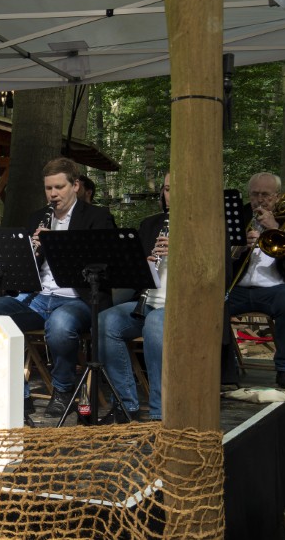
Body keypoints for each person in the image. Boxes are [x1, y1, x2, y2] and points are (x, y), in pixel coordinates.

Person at [0, 157, 116, 417]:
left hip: (77, 299)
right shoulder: (38, 217)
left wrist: (57, 244)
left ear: (76, 186)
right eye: (49, 188)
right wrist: (31, 252)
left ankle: (63, 389)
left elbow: (106, 263)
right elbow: (22, 270)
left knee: (60, 325)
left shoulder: (96, 217)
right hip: (39, 297)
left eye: (59, 187)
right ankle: (17, 393)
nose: (53, 194)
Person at [226, 172, 285, 390]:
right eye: (255, 194)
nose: (260, 199)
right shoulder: (238, 216)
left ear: (277, 196)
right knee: (212, 306)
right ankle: (225, 369)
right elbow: (219, 255)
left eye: (266, 195)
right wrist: (239, 247)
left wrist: (275, 227)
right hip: (238, 287)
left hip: (276, 289)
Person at [96, 173, 170, 423]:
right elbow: (131, 273)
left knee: (156, 324)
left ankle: (160, 411)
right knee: (105, 322)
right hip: (147, 301)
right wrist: (141, 266)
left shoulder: (204, 227)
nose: (171, 195)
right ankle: (126, 404)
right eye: (168, 189)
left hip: (180, 307)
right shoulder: (151, 225)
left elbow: (216, 275)